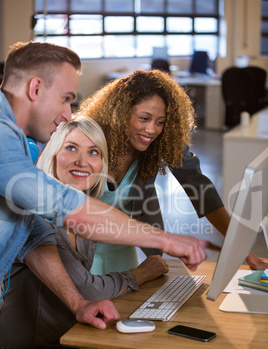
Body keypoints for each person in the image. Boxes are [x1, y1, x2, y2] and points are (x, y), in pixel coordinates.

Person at [0, 41, 212, 330]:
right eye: (65, 98)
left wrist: (77, 302)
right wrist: (166, 240)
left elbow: (34, 237)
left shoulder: (17, 142)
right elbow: (66, 207)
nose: (66, 114)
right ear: (35, 88)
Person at [0, 115, 173, 349]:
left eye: (93, 152)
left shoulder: (82, 217)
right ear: (52, 155)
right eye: (71, 148)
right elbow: (86, 290)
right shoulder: (36, 211)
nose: (83, 161)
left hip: (62, 342)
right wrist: (140, 274)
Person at [78, 68, 268, 275]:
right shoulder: (85, 142)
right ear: (120, 113)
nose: (152, 130)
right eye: (144, 118)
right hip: (78, 254)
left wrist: (244, 252)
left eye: (160, 122)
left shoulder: (157, 143)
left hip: (122, 254)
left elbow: (201, 189)